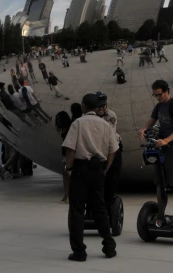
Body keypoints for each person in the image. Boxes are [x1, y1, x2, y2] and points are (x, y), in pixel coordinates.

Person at [63, 93, 118, 261]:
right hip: (98, 170)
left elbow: (70, 149)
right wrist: (106, 168)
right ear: (96, 107)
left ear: (84, 106)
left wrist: (69, 167)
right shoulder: (106, 124)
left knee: (77, 210)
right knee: (99, 208)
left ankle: (79, 251)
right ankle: (109, 246)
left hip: (81, 168)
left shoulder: (78, 123)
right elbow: (113, 149)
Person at [137, 80, 173, 209]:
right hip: (161, 147)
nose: (158, 98)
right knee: (160, 182)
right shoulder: (158, 106)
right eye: (155, 95)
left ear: (167, 91)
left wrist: (167, 140)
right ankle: (160, 213)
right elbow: (151, 121)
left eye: (159, 94)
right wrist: (143, 129)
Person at [95, 92, 122, 208]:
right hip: (95, 149)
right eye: (98, 106)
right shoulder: (88, 115)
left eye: (103, 106)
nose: (101, 109)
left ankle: (107, 202)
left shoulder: (110, 115)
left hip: (111, 148)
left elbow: (108, 135)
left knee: (111, 178)